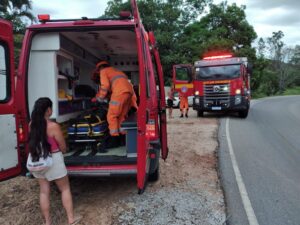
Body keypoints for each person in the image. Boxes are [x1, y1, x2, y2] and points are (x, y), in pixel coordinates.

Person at [28, 97, 81, 225]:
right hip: (53, 160)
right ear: (48, 110)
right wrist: (64, 149)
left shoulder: (31, 125)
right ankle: (70, 219)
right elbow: (62, 147)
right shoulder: (53, 126)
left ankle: (47, 222)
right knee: (65, 189)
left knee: (44, 191)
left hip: (37, 160)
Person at [91, 61, 138, 141]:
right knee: (121, 116)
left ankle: (114, 137)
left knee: (111, 116)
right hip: (129, 94)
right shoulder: (117, 72)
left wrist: (99, 98)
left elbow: (105, 86)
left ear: (99, 68)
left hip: (119, 93)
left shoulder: (103, 71)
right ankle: (124, 136)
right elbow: (112, 87)